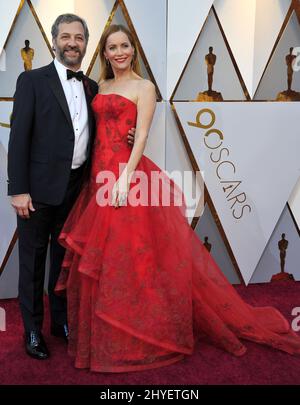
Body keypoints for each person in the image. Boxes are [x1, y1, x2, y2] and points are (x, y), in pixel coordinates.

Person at [55, 24, 300, 373]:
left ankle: (139, 333)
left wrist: (124, 179)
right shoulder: (101, 85)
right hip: (97, 177)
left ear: (133, 50)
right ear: (105, 53)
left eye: (125, 45)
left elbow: (140, 137)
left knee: (134, 260)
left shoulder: (145, 87)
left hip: (126, 178)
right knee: (107, 261)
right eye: (113, 47)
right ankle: (104, 334)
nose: (120, 52)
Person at [7, 14, 136, 361]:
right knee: (32, 266)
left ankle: (60, 322)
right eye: (65, 37)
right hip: (35, 193)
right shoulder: (32, 80)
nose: (72, 43)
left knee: (63, 264)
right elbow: (18, 138)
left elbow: (103, 131)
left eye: (79, 38)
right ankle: (32, 331)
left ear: (86, 43)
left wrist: (129, 135)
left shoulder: (92, 86)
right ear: (54, 40)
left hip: (77, 192)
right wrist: (17, 189)